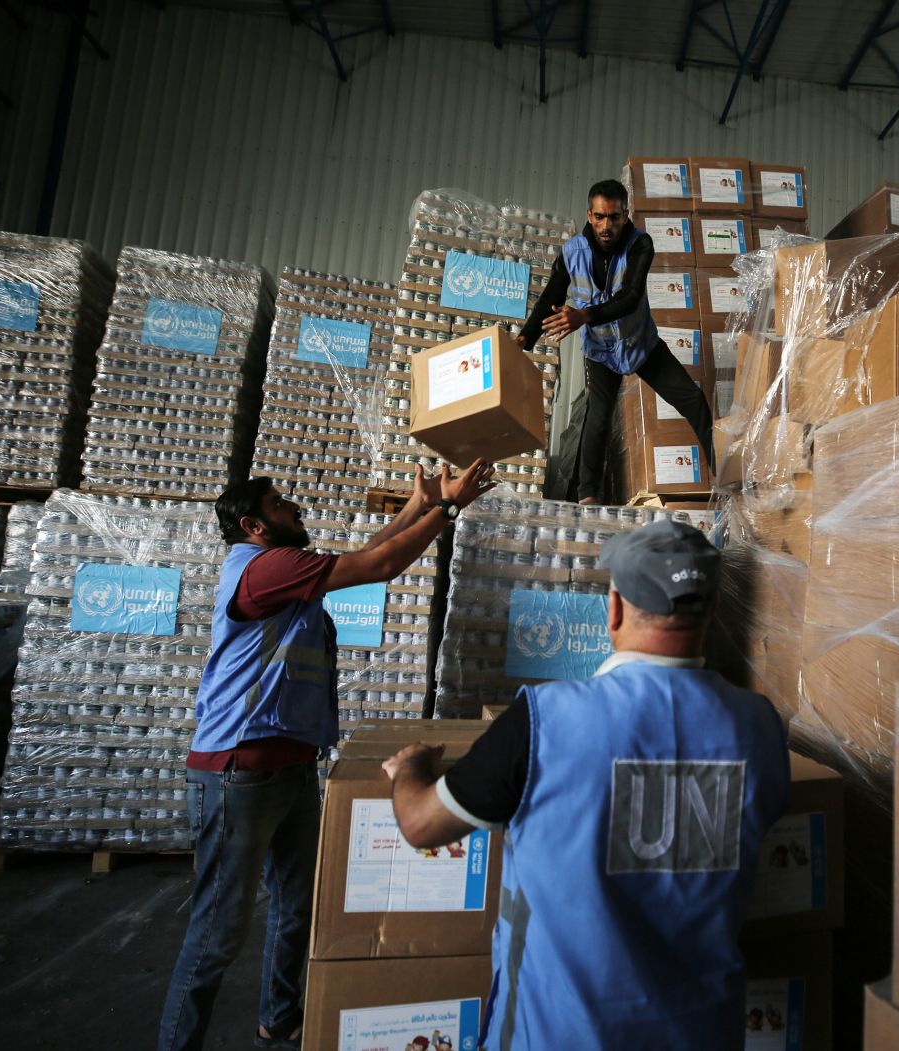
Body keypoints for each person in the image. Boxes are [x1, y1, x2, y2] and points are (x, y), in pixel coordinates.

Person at [383, 521, 791, 1048]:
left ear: (614, 608)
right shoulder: (759, 726)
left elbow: (420, 824)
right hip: (702, 1032)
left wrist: (410, 768)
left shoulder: (543, 720)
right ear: (712, 609)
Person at [156, 459, 498, 1051]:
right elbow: (382, 564)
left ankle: (280, 1017)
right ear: (253, 525)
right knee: (218, 930)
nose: (294, 508)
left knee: (297, 904)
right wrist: (446, 509)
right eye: (280, 504)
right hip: (239, 769)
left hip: (286, 766)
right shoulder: (262, 570)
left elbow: (364, 561)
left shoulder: (279, 568)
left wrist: (418, 508)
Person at [518, 179, 717, 504]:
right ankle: (588, 496)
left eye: (613, 217)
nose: (606, 226)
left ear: (625, 215)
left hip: (641, 345)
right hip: (601, 350)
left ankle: (724, 479)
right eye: (599, 217)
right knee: (597, 417)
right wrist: (524, 339)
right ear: (589, 214)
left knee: (692, 400)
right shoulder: (572, 252)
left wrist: (584, 316)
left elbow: (631, 296)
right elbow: (551, 297)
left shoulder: (641, 245)